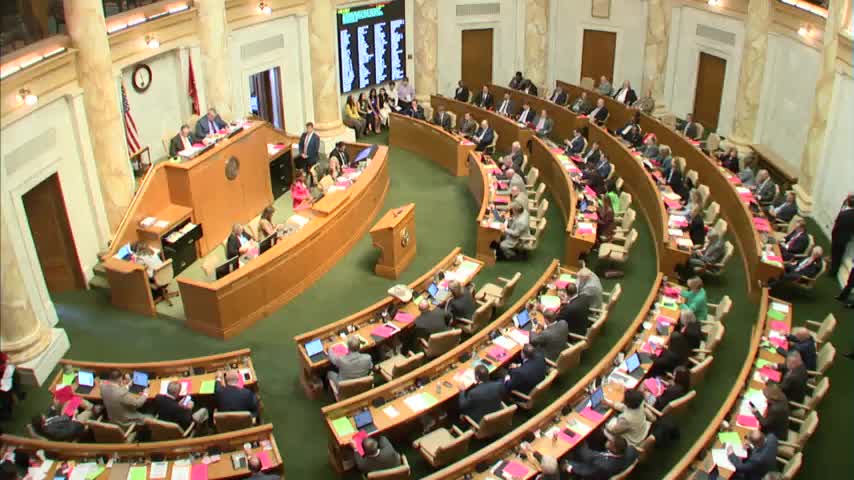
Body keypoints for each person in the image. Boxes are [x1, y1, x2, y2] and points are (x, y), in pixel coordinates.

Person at [565, 436, 638, 479]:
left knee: (579, 448)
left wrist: (569, 467)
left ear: (615, 449)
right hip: (601, 459)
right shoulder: (631, 451)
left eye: (610, 441)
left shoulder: (602, 465)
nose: (608, 440)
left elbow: (585, 471)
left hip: (593, 470)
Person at [829, 194, 854, 275]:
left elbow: (837, 224)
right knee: (838, 254)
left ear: (848, 202)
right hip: (845, 238)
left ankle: (833, 272)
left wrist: (833, 233)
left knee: (836, 253)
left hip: (838, 235)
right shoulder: (848, 213)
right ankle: (833, 267)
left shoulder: (844, 214)